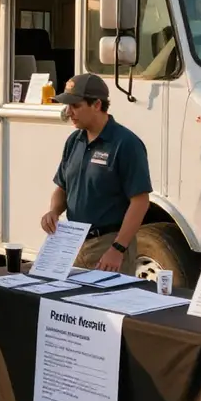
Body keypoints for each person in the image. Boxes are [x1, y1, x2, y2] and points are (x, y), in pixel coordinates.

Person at [41, 74, 152, 276]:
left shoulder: (125, 143)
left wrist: (118, 249)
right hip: (72, 242)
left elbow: (140, 201)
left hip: (107, 244)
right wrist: (54, 212)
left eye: (75, 105)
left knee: (105, 305)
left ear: (97, 104)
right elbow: (63, 186)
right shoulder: (74, 140)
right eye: (67, 106)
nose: (68, 112)